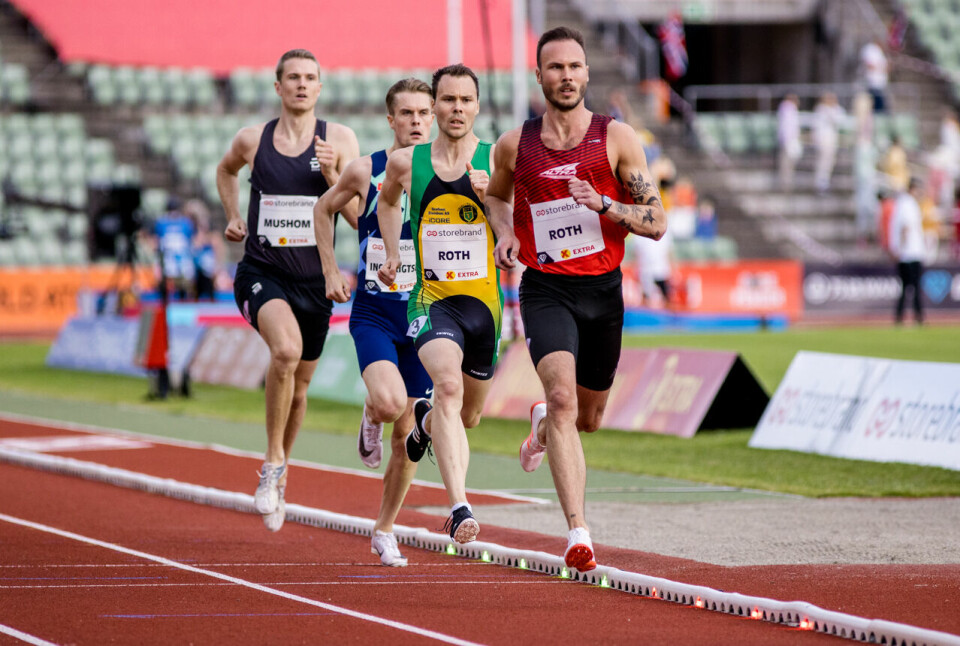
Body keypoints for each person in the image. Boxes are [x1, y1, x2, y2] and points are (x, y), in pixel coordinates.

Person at [485, 26, 667, 572]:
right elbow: (496, 195)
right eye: (555, 67)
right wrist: (504, 233)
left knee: (586, 419)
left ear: (587, 74)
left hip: (602, 292)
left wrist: (606, 205)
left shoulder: (617, 138)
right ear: (538, 76)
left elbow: (657, 223)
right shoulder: (515, 144)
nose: (566, 76)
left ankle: (543, 427)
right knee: (564, 399)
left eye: (574, 66)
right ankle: (578, 533)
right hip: (545, 287)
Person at [215, 49, 360, 531]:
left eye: (310, 78)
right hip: (262, 271)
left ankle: (281, 471)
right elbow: (224, 170)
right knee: (285, 352)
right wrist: (234, 215)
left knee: (299, 388)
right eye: (293, 78)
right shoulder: (253, 140)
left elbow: (361, 219)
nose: (301, 84)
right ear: (278, 87)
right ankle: (271, 461)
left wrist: (333, 177)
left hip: (315, 282)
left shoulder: (339, 140)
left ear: (320, 88)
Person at [312, 78, 435, 566]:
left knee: (412, 438)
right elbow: (328, 211)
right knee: (387, 403)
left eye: (424, 113)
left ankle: (385, 529)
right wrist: (329, 271)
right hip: (376, 312)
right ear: (390, 120)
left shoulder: (451, 171)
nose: (417, 122)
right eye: (407, 114)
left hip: (427, 315)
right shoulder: (367, 170)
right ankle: (370, 413)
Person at [376, 64, 498, 545]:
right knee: (447, 386)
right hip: (431, 300)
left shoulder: (497, 159)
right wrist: (391, 253)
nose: (456, 109)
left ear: (477, 105)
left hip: (484, 309)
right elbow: (387, 203)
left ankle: (425, 420)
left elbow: (518, 226)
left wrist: (493, 204)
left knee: (466, 416)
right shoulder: (408, 163)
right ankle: (459, 507)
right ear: (435, 105)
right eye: (447, 100)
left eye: (465, 100)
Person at [888, 177, 925, 325]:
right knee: (913, 286)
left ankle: (900, 316)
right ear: (913, 189)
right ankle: (917, 316)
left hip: (906, 252)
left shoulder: (903, 203)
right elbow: (905, 228)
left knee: (906, 287)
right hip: (910, 253)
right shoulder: (908, 204)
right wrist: (901, 249)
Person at [812, 92, 844, 194]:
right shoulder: (821, 110)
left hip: (831, 142)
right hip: (823, 142)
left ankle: (825, 183)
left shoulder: (835, 110)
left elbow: (841, 119)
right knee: (823, 164)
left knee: (829, 164)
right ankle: (821, 184)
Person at [777, 94, 802, 191]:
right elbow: (788, 127)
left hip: (788, 139)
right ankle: (786, 184)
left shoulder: (788, 110)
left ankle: (787, 183)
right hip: (789, 140)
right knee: (786, 163)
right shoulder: (788, 110)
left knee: (788, 163)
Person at [860, 39, 889, 113]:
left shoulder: (880, 53)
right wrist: (880, 67)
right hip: (873, 82)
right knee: (876, 104)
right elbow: (870, 65)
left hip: (880, 83)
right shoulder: (870, 50)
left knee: (880, 104)